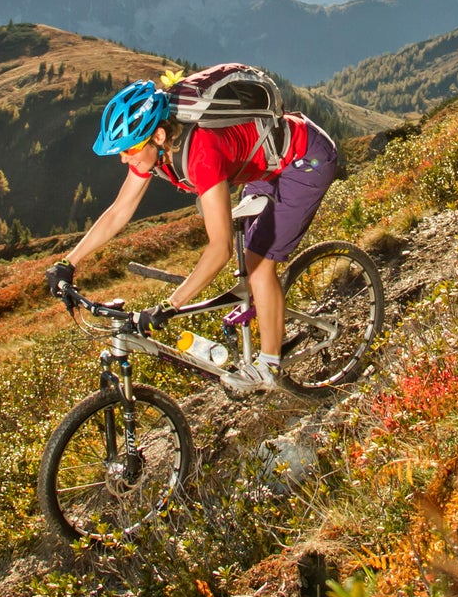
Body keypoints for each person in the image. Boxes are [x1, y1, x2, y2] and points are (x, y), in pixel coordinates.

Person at [43, 78, 338, 395]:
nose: (124, 159)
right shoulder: (155, 147)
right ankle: (264, 305)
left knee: (258, 265)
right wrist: (68, 262)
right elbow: (119, 211)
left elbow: (220, 249)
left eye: (129, 149)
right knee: (253, 261)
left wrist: (171, 305)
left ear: (158, 136)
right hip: (263, 165)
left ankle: (269, 367)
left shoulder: (201, 154)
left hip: (305, 160)